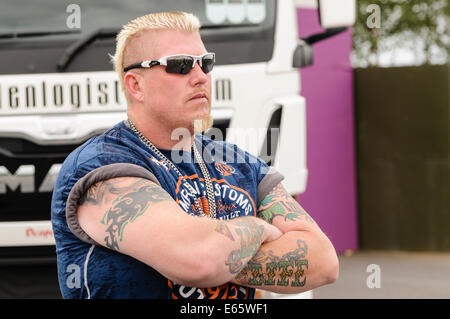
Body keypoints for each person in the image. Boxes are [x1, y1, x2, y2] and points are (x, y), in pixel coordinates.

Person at [51, 11, 338, 299]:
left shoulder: (240, 163)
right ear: (135, 85)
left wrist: (217, 255)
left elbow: (323, 262)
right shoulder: (101, 164)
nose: (200, 77)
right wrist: (257, 228)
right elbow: (198, 260)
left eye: (206, 63)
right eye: (180, 65)